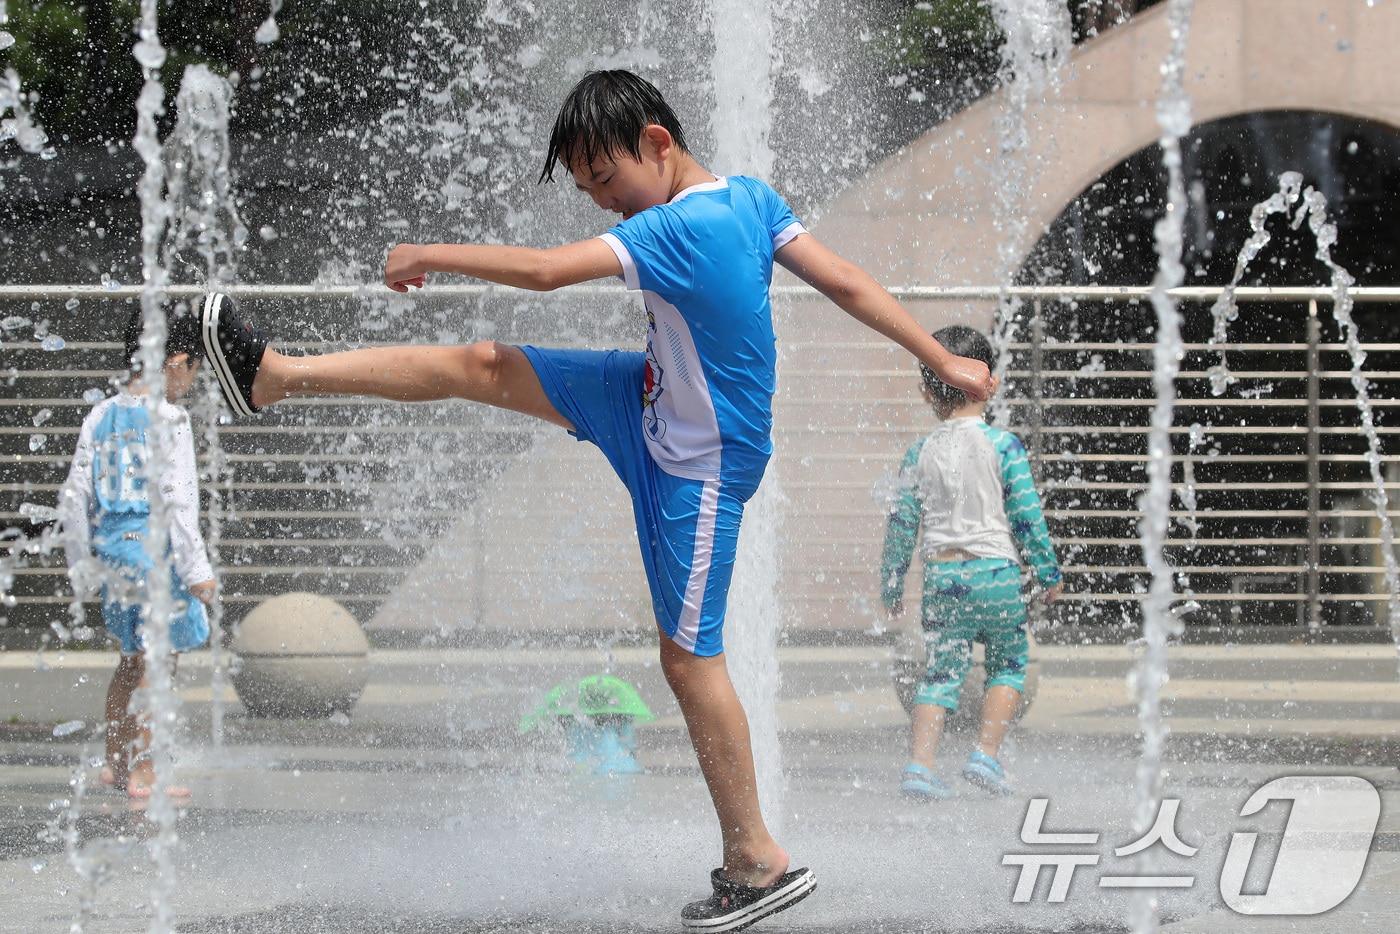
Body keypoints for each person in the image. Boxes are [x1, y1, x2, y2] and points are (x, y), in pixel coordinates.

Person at [195, 70, 995, 930]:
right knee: (484, 365)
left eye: (605, 182)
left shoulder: (677, 225)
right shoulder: (751, 199)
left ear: (657, 142)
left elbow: (543, 273)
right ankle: (278, 377)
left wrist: (427, 253)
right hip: (644, 397)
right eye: (589, 193)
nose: (607, 206)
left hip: (699, 463)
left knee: (688, 659)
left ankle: (758, 859)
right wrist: (940, 357)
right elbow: (841, 279)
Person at [879, 325, 1061, 800]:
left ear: (926, 389)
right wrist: (1047, 572)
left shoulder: (919, 453)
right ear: (992, 382)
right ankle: (985, 755)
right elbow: (1025, 515)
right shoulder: (1004, 447)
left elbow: (901, 526)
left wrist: (892, 584)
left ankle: (919, 767)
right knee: (1008, 665)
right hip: (997, 574)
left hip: (943, 576)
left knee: (940, 673)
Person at [58, 306, 216, 800]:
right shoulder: (172, 418)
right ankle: (145, 771)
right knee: (157, 664)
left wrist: (81, 561)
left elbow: (73, 497)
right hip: (154, 554)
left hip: (113, 553)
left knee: (130, 660)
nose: (190, 383)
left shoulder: (100, 414)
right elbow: (179, 501)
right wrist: (197, 570)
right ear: (176, 361)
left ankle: (116, 761)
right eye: (193, 371)